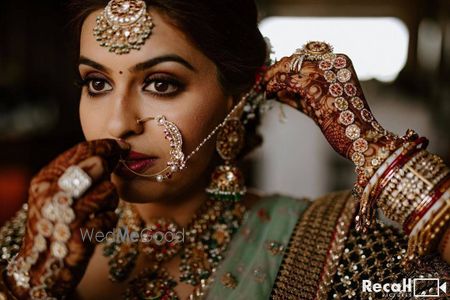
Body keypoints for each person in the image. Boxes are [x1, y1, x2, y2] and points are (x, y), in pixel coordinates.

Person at [0, 0, 449, 299]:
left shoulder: (327, 244)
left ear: (235, 99)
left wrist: (375, 150)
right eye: (97, 83)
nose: (117, 123)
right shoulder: (33, 240)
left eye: (161, 84)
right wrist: (25, 287)